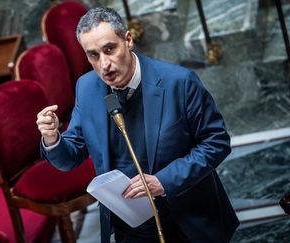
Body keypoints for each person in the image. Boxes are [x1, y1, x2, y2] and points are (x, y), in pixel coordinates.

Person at [36, 6, 239, 243]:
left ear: (128, 40)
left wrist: (163, 182)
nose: (104, 64)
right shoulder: (87, 88)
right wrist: (52, 139)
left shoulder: (179, 82)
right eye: (93, 55)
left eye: (109, 49)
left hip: (186, 217)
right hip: (129, 223)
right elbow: (70, 158)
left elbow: (216, 142)